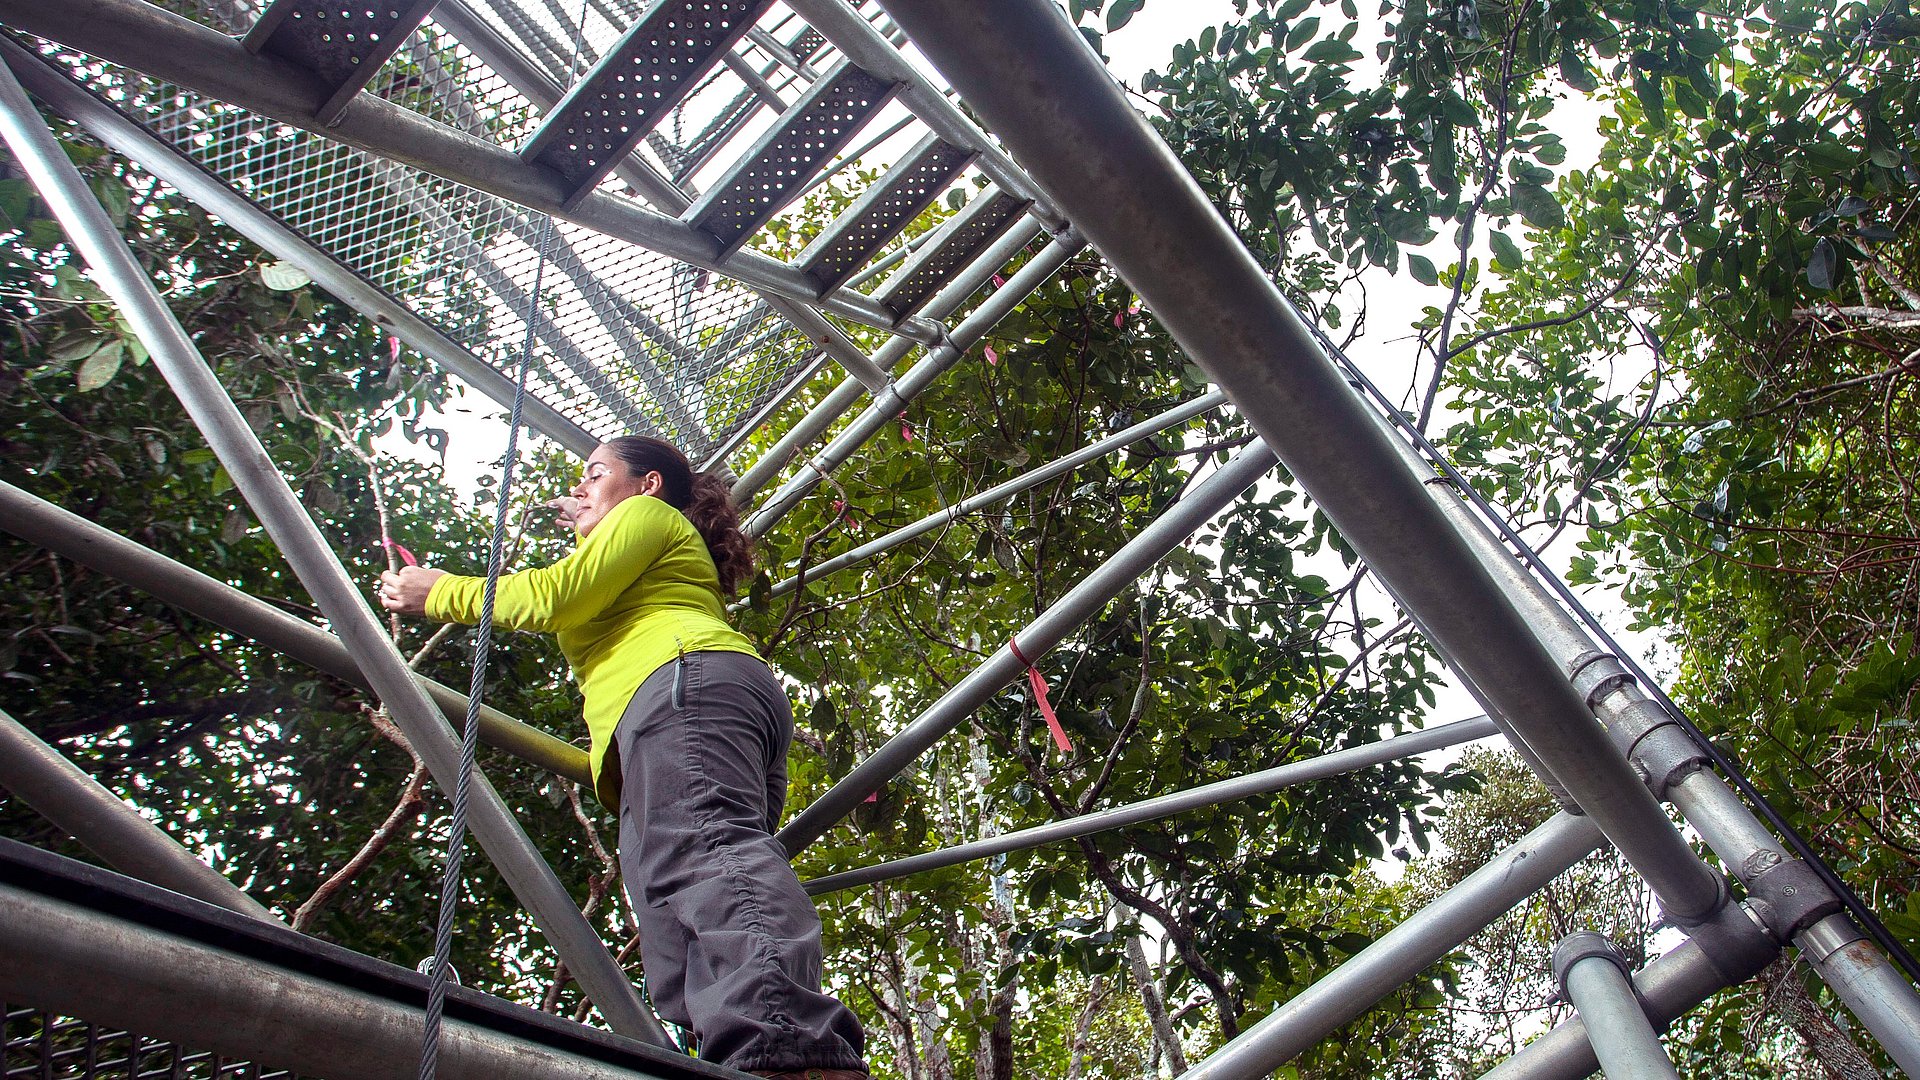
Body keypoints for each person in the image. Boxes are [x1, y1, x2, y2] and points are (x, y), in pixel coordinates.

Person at [377, 436, 868, 1080]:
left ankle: (787, 1048)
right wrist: (588, 520)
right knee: (668, 908)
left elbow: (553, 597)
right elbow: (580, 589)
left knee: (705, 855)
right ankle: (729, 1053)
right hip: (683, 704)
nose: (579, 488)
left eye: (594, 473)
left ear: (649, 484)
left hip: (682, 683)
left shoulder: (646, 515)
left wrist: (438, 589)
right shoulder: (638, 543)